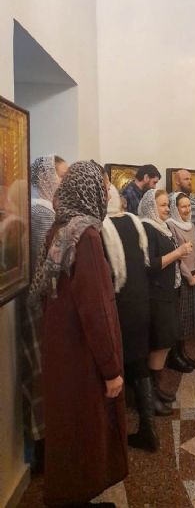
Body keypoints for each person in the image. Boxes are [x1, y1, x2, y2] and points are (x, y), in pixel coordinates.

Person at [29, 160, 127, 507]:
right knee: (85, 429)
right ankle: (74, 497)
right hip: (82, 355)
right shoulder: (85, 236)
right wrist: (111, 369)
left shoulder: (61, 227)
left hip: (61, 349)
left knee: (67, 427)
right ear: (89, 191)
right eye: (103, 187)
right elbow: (95, 308)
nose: (107, 193)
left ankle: (67, 494)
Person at [102, 184, 159, 451]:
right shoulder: (134, 221)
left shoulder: (100, 227)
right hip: (140, 302)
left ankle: (114, 433)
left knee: (114, 368)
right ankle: (148, 428)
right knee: (139, 364)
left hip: (119, 306)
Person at [21, 154, 68, 473]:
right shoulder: (40, 212)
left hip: (48, 305)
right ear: (45, 177)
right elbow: (46, 266)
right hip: (41, 307)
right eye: (60, 175)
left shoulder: (49, 210)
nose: (63, 182)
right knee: (42, 375)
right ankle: (44, 448)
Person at [139, 189, 193, 414]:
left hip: (168, 291)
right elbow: (149, 265)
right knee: (159, 342)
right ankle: (149, 396)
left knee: (166, 340)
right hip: (156, 294)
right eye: (162, 205)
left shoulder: (161, 227)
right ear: (151, 206)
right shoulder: (147, 228)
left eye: (166, 205)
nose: (166, 209)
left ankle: (157, 388)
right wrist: (178, 253)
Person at [167, 192, 195, 371]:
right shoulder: (171, 225)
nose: (187, 210)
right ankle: (175, 356)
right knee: (179, 318)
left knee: (187, 318)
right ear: (175, 208)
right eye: (183, 206)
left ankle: (183, 352)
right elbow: (177, 257)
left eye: (189, 206)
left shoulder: (191, 225)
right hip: (182, 277)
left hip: (194, 275)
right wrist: (189, 276)